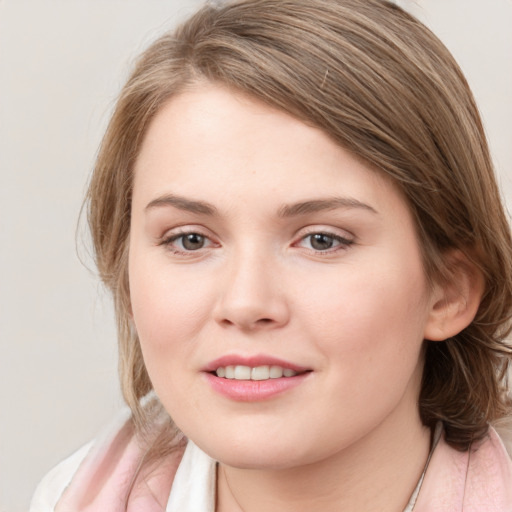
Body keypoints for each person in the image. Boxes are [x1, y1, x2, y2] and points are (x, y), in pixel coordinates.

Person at [31, 0, 512, 510]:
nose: (245, 303)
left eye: (321, 240)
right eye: (189, 239)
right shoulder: (67, 498)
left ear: (449, 290)